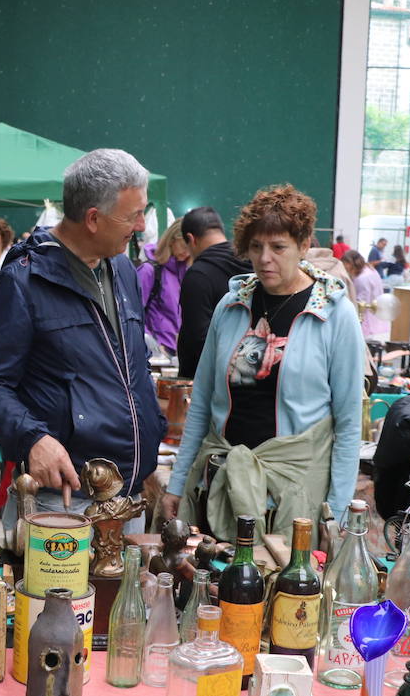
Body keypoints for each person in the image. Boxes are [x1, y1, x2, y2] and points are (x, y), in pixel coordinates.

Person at [0, 149, 164, 522]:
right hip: (62, 503)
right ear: (93, 218)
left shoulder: (123, 269)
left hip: (130, 496)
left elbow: (131, 369)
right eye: (133, 215)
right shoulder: (23, 282)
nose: (141, 225)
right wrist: (33, 439)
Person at [162, 184, 364, 537]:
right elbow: (202, 403)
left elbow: (348, 425)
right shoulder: (231, 305)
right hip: (219, 482)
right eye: (256, 247)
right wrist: (177, 483)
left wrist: (338, 513)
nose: (265, 258)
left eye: (278, 247)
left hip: (291, 499)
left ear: (303, 246)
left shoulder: (335, 314)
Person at [175, 206, 252, 378]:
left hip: (204, 382)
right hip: (248, 375)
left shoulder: (198, 275)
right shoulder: (251, 263)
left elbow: (198, 339)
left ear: (191, 239)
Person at [137, 217, 190, 355]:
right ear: (172, 240)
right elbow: (132, 314)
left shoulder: (188, 273)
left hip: (178, 353)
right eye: (184, 246)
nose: (187, 253)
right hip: (156, 353)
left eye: (191, 248)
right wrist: (151, 343)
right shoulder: (150, 271)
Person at [343, 249, 387, 337]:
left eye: (344, 265)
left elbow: (361, 304)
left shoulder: (361, 279)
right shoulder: (371, 270)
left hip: (367, 326)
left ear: (349, 264)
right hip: (380, 322)